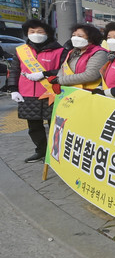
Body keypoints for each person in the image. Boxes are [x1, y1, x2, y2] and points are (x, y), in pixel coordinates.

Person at [7, 19, 64, 162]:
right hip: (27, 94)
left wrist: (46, 73)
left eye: (40, 32)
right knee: (33, 126)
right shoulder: (21, 51)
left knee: (55, 126)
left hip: (52, 94)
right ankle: (41, 151)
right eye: (32, 32)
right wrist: (13, 89)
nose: (35, 34)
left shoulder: (60, 51)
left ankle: (56, 153)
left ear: (48, 33)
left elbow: (65, 71)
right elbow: (14, 70)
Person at [38, 24, 108, 90]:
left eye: (80, 36)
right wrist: (57, 79)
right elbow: (63, 68)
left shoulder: (99, 53)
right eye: (73, 35)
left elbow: (91, 75)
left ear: (91, 39)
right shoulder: (73, 52)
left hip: (87, 93)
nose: (75, 38)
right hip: (69, 91)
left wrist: (60, 80)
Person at [92, 22, 115, 99]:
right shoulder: (112, 58)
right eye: (109, 38)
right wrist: (99, 88)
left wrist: (106, 92)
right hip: (109, 101)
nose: (111, 41)